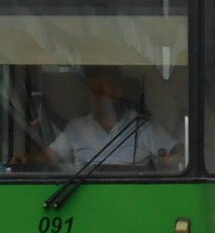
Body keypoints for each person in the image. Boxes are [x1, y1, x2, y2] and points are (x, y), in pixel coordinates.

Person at [47, 67, 179, 168]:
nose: (94, 97)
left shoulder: (142, 125)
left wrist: (172, 158)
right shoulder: (76, 127)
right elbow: (48, 157)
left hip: (132, 192)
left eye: (100, 91)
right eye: (91, 91)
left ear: (118, 91)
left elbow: (176, 152)